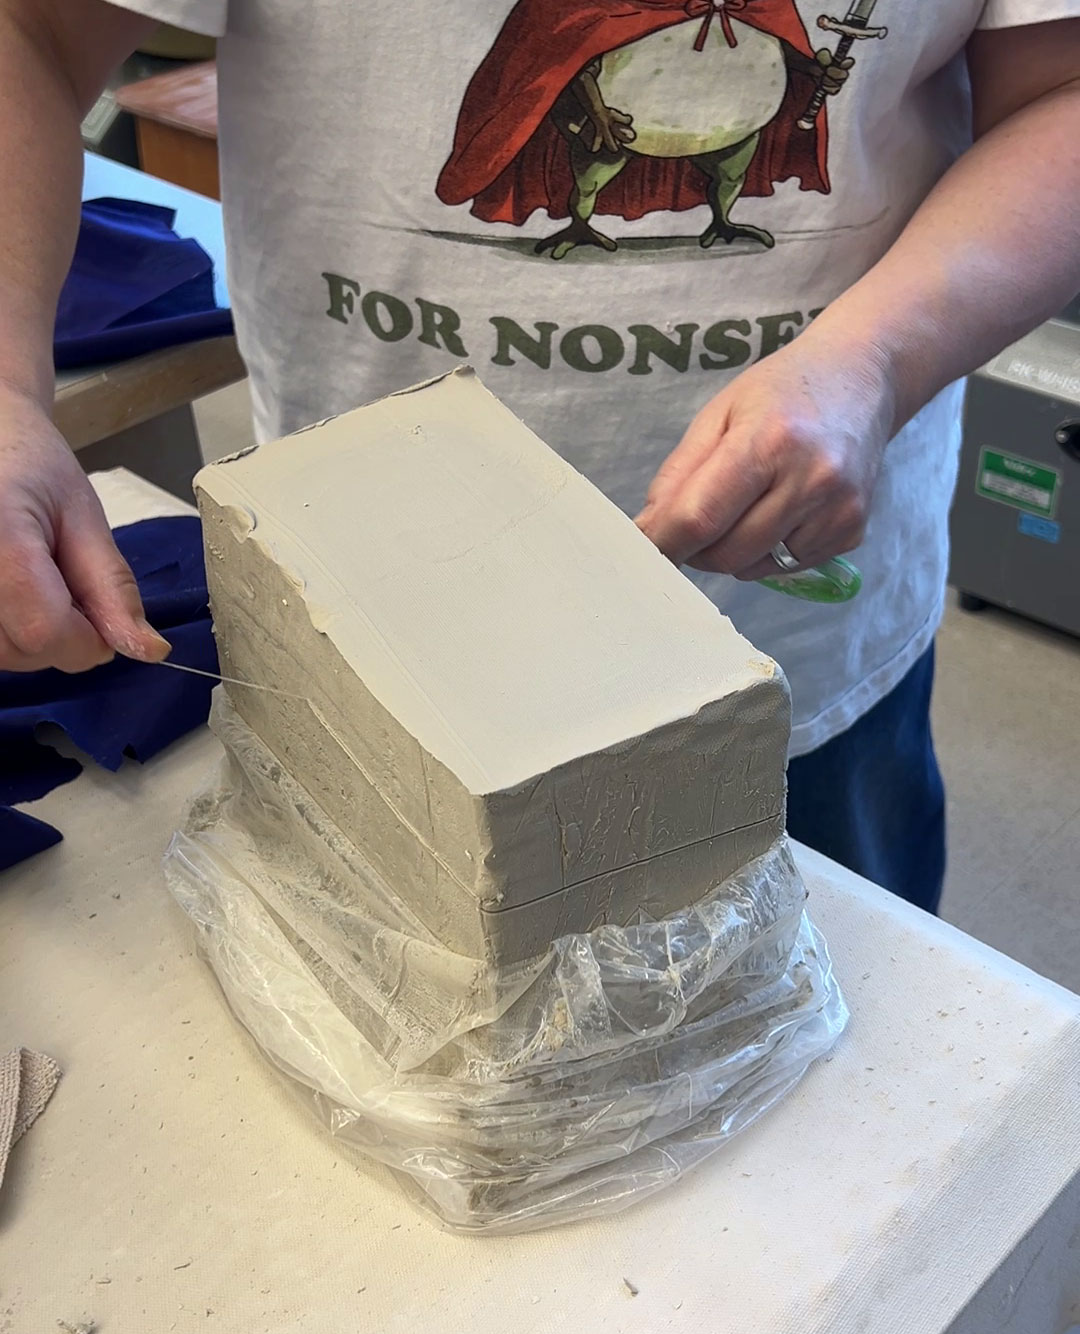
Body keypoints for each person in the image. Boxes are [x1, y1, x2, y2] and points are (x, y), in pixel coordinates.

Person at [1, 0, 1078, 913]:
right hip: (380, 608)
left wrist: (873, 362)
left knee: (859, 1088)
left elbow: (1060, 95)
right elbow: (36, 37)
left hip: (803, 621)